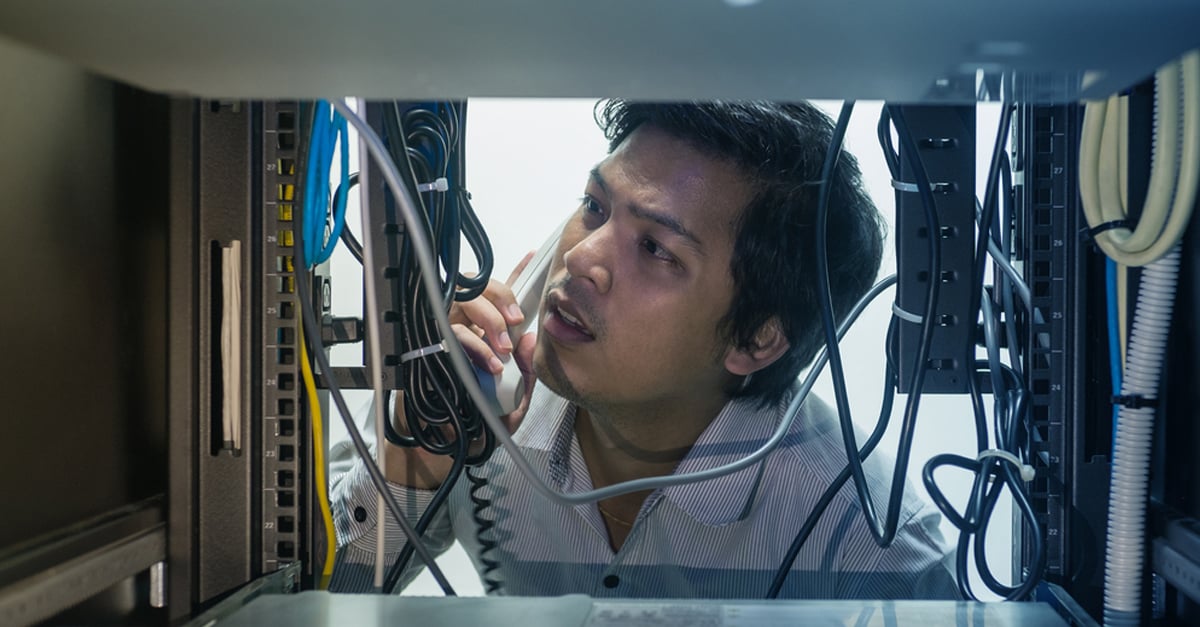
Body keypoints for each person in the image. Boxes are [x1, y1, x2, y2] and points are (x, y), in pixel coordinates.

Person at [329, 100, 957, 598]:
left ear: (756, 337)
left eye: (656, 248)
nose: (580, 257)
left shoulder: (871, 544)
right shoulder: (470, 392)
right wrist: (408, 460)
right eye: (594, 207)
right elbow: (301, 599)